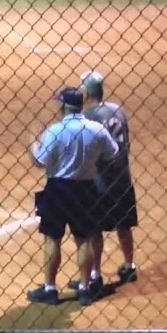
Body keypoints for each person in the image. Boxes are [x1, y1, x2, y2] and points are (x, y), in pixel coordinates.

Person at [27, 86, 120, 306]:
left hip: (58, 189)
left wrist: (31, 145)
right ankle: (86, 288)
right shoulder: (96, 129)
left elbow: (40, 162)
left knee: (52, 238)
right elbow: (113, 153)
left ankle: (50, 289)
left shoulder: (55, 131)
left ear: (64, 107)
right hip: (86, 188)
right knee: (84, 239)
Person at [78, 71, 140, 290]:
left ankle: (95, 274)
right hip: (122, 177)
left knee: (95, 228)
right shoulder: (118, 110)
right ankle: (129, 265)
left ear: (86, 91)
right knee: (124, 225)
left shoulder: (87, 117)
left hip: (99, 181)